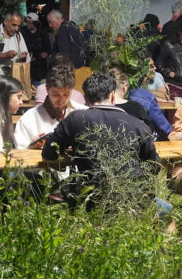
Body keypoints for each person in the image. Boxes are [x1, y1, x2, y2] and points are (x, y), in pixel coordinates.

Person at [41, 73, 159, 205]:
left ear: (86, 99)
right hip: (134, 201)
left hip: (92, 202)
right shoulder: (138, 125)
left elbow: (48, 153)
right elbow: (154, 167)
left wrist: (73, 153)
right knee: (167, 209)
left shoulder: (76, 118)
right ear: (113, 95)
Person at [14, 63, 85, 149]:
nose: (61, 100)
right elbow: (19, 152)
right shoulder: (29, 119)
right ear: (47, 89)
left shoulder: (82, 112)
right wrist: (31, 147)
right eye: (55, 94)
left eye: (66, 94)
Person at [109, 67, 171, 141]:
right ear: (124, 86)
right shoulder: (137, 106)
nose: (155, 68)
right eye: (151, 66)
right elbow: (161, 129)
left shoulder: (99, 108)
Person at [22, 12, 51, 84]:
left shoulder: (43, 34)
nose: (27, 24)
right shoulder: (23, 32)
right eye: (26, 22)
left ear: (35, 23)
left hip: (39, 67)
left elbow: (48, 48)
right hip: (27, 64)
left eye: (29, 22)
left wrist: (45, 53)